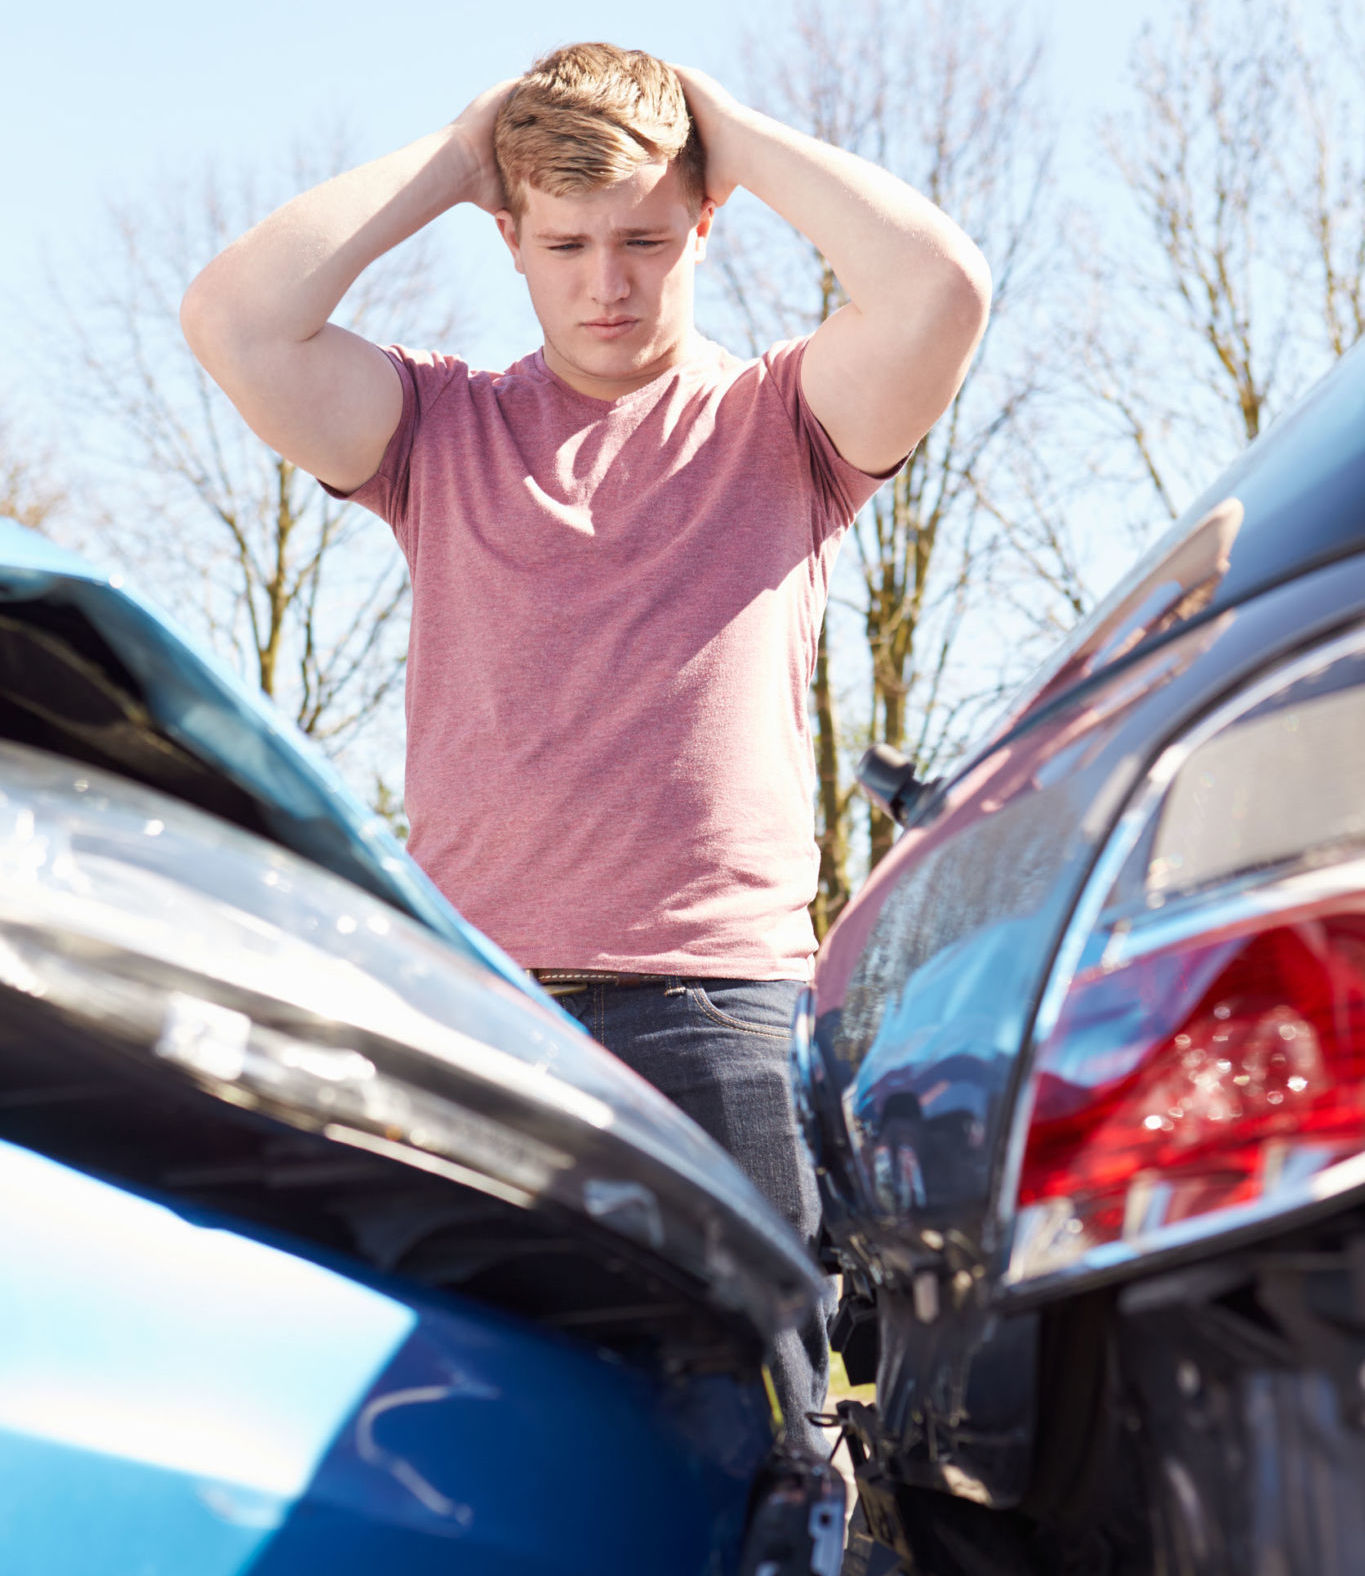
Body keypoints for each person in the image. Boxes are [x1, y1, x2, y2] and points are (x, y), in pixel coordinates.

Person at [180, 42, 990, 1455]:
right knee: (483, 1448)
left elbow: (937, 290)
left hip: (720, 1017)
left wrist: (725, 130)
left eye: (645, 240)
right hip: (482, 1013)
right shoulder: (438, 429)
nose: (605, 284)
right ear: (509, 239)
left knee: (760, 1455)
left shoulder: (786, 423)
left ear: (704, 223)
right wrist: (458, 150)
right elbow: (238, 319)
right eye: (563, 245)